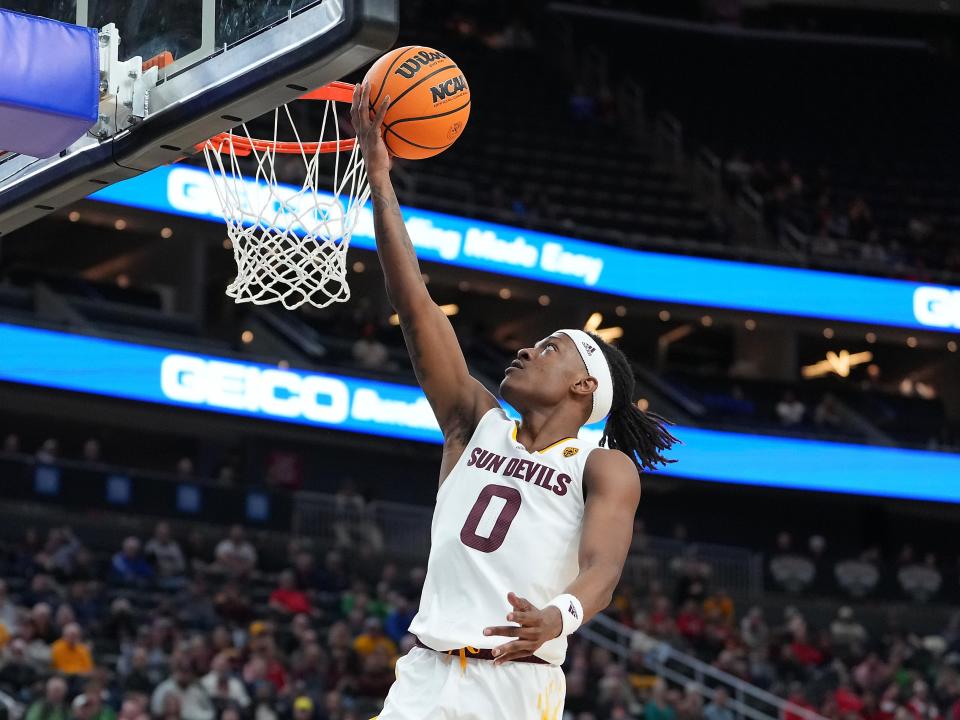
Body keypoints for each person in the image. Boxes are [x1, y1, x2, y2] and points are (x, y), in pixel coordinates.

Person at [350, 81, 679, 719]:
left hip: (511, 684)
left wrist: (560, 616)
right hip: (421, 675)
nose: (527, 349)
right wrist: (381, 181)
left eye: (550, 347)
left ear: (586, 385)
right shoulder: (475, 423)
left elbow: (602, 570)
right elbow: (415, 309)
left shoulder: (601, 465)